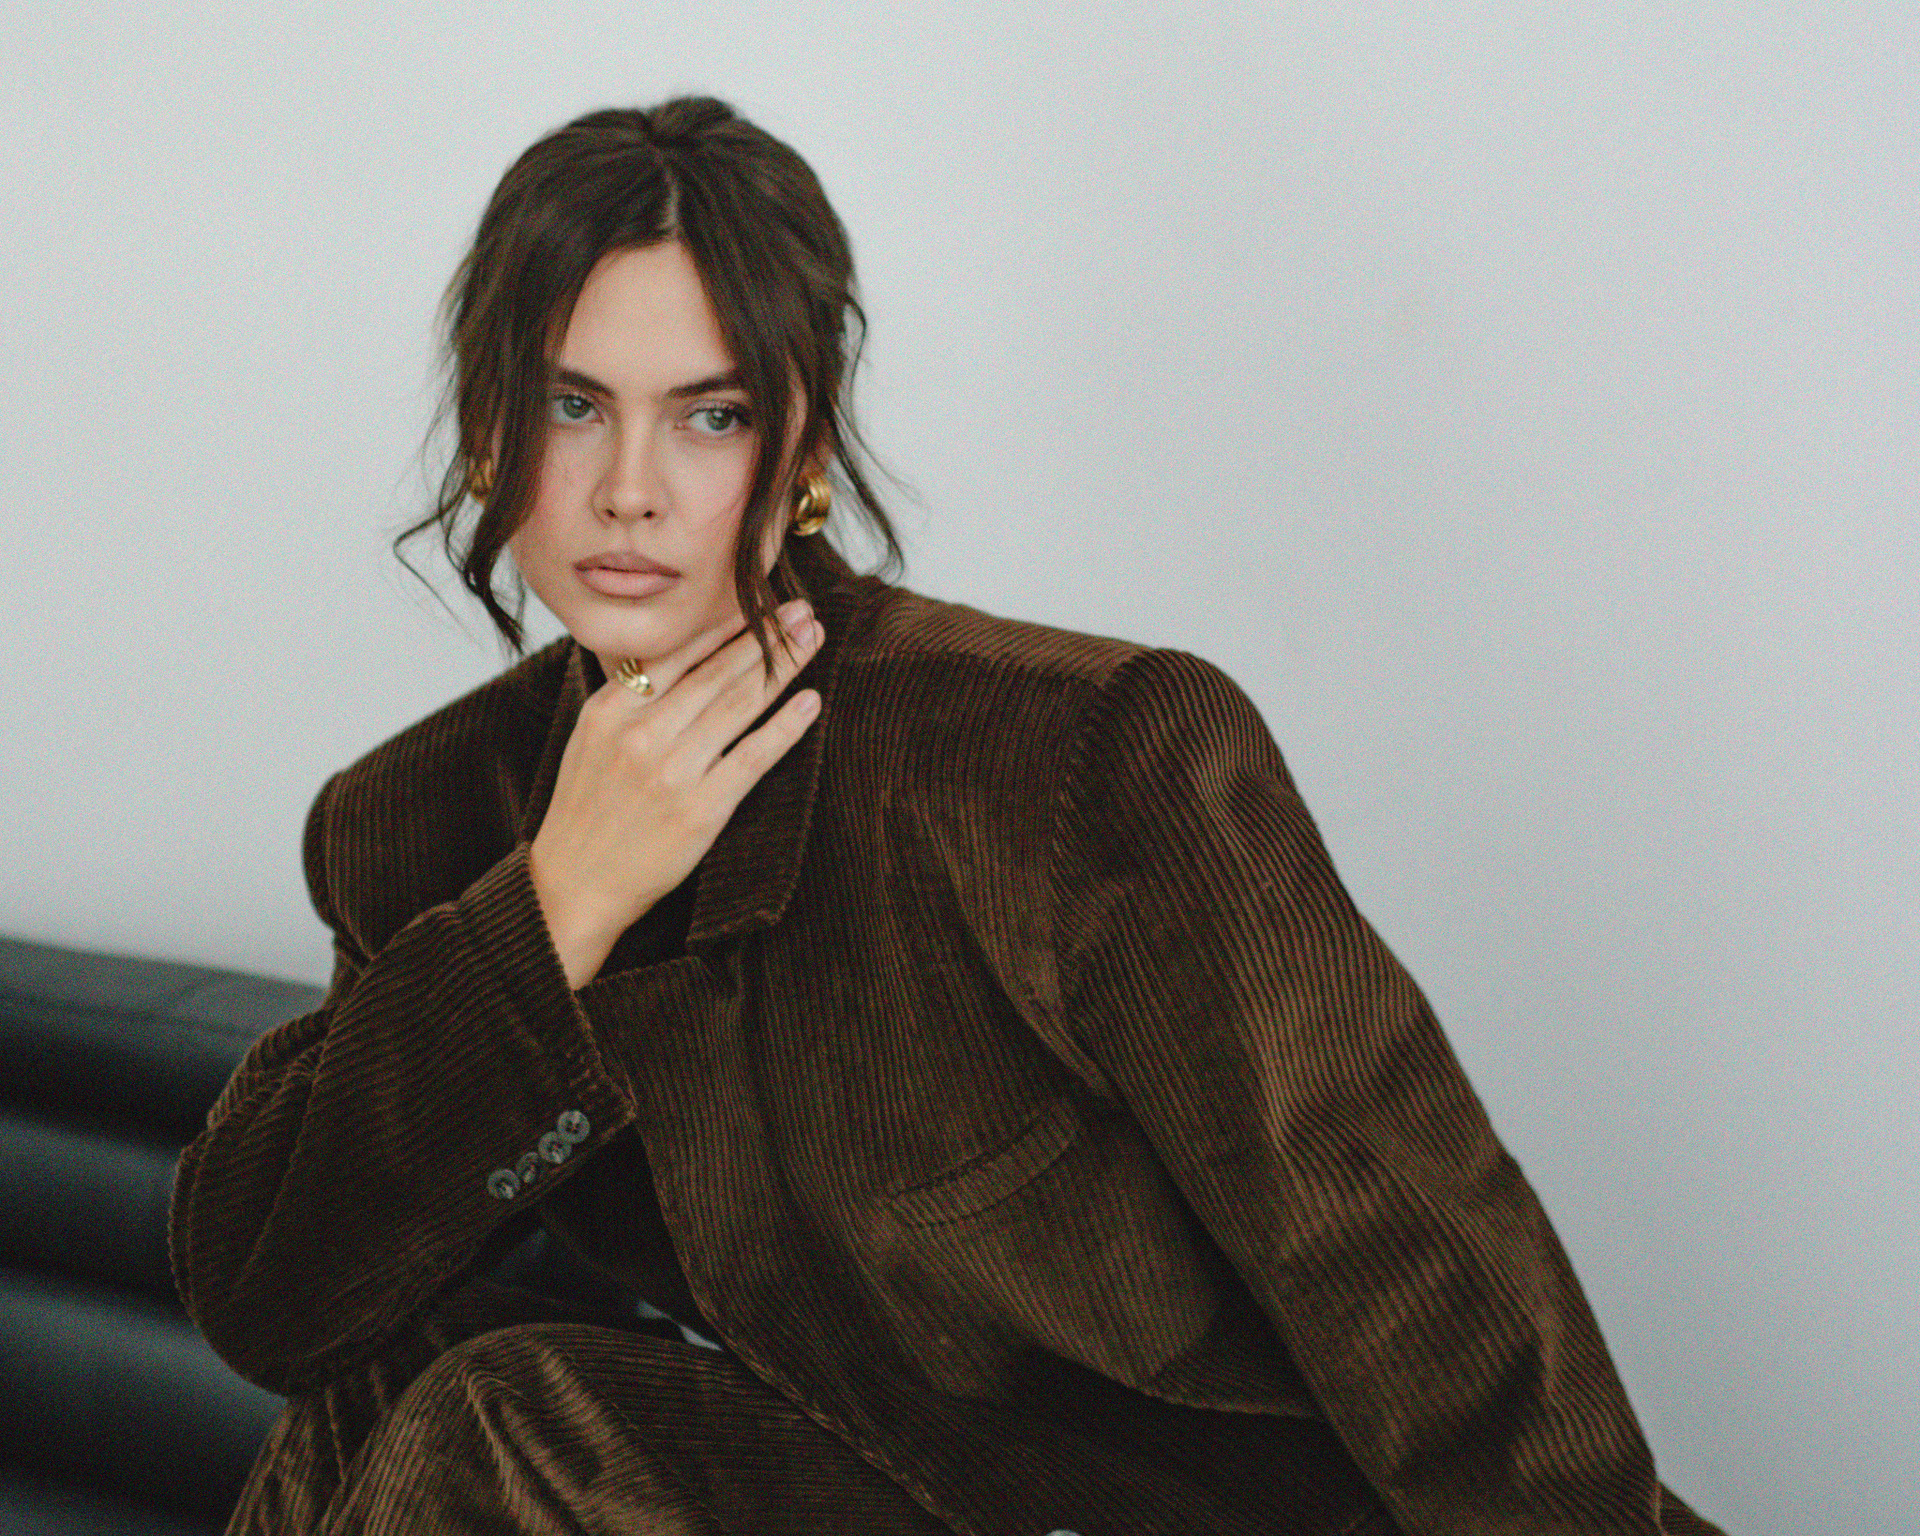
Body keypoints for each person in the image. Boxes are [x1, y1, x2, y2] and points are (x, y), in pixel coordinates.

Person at [170, 96, 1727, 1536]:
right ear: (488, 431)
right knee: (412, 1384)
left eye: (709, 417)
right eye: (573, 405)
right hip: (886, 1485)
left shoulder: (1078, 762)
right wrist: (557, 906)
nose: (629, 488)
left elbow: (1430, 1301)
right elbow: (275, 1305)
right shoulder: (421, 817)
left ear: (804, 451)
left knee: (511, 1426)